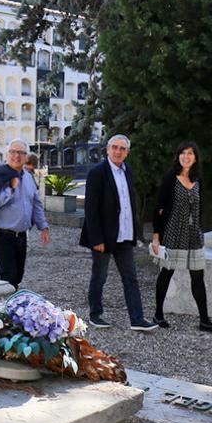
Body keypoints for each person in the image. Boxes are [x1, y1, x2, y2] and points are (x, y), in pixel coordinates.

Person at [79, 134, 156, 331]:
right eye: (115, 147)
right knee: (100, 276)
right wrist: (96, 238)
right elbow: (91, 208)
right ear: (107, 149)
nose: (118, 151)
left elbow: (129, 203)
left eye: (122, 149)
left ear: (127, 153)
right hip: (103, 237)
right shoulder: (98, 173)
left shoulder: (127, 171)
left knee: (131, 277)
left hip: (124, 235)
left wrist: (135, 233)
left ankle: (137, 319)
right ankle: (95, 315)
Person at [151, 142, 212, 333]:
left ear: (195, 157)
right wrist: (156, 237)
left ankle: (205, 320)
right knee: (167, 272)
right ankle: (158, 314)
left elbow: (200, 208)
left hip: (193, 234)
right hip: (173, 232)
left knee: (198, 276)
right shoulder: (170, 178)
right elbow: (158, 208)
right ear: (178, 157)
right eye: (182, 153)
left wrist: (199, 229)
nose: (186, 156)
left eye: (190, 153)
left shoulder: (198, 179)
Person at [0, 139, 49, 290]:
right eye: (13, 152)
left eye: (21, 152)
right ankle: (7, 309)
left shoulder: (28, 177)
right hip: (1, 236)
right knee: (9, 277)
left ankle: (10, 306)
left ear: (26, 156)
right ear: (8, 154)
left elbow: (36, 204)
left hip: (21, 236)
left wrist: (43, 226)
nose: (17, 156)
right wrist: (11, 189)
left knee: (18, 275)